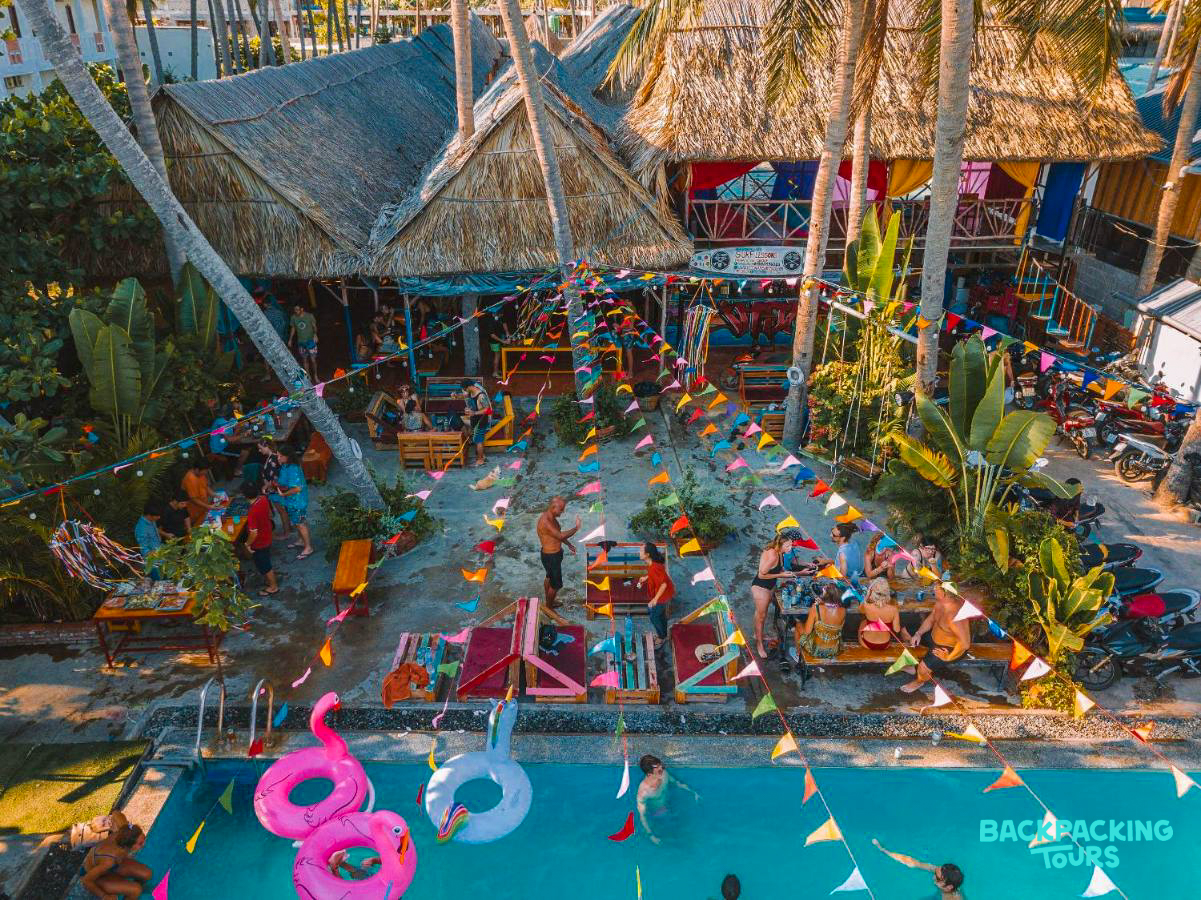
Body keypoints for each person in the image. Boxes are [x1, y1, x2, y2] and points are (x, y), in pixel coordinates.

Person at [902, 583, 971, 693]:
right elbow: (931, 619)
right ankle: (915, 666)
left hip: (948, 648)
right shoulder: (940, 602)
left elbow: (965, 644)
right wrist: (918, 634)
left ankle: (920, 681)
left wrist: (948, 657)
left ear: (945, 594)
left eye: (937, 589)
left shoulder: (954, 615)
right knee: (905, 632)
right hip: (933, 637)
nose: (934, 589)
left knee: (923, 670)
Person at [635, 754, 699, 845]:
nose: (663, 770)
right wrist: (651, 835)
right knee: (673, 835)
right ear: (649, 774)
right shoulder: (644, 792)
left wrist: (693, 793)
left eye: (662, 766)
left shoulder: (664, 774)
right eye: (659, 770)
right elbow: (642, 815)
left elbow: (676, 783)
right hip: (657, 814)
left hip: (669, 805)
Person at [750, 535, 796, 658]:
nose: (791, 547)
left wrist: (786, 573)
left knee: (760, 612)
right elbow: (761, 575)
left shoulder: (779, 552)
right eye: (788, 545)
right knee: (761, 616)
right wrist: (782, 576)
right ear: (780, 545)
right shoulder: (773, 556)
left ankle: (757, 634)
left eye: (791, 544)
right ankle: (759, 644)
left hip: (771, 586)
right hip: (761, 587)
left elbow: (777, 570)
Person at [873, 838, 965, 898]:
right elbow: (913, 862)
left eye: (937, 878)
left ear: (949, 887)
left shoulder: (952, 898)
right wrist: (885, 851)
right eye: (934, 873)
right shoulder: (941, 872)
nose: (933, 877)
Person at [80, 823, 152, 900]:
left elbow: (116, 814)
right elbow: (86, 880)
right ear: (127, 846)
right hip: (97, 876)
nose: (144, 844)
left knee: (147, 874)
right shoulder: (108, 861)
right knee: (136, 890)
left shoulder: (125, 833)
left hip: (113, 866)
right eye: (140, 844)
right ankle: (129, 890)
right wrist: (104, 896)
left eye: (144, 839)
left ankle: (127, 887)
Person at [536, 496, 580, 609]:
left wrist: (568, 544)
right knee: (556, 585)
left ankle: (549, 601)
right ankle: (549, 607)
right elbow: (560, 535)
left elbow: (557, 535)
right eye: (561, 509)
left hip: (553, 555)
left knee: (549, 578)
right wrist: (576, 528)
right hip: (551, 556)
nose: (563, 511)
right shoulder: (545, 521)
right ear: (553, 507)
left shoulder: (552, 518)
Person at [244, 480, 279, 596]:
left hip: (260, 542)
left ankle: (273, 587)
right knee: (265, 561)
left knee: (265, 565)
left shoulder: (252, 512)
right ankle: (270, 580)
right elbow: (269, 514)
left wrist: (247, 544)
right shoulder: (263, 499)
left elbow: (253, 533)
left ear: (245, 496)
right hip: (267, 535)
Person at [277, 447, 314, 560]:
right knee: (297, 522)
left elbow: (297, 488)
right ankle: (301, 540)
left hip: (297, 501)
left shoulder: (293, 469)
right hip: (291, 501)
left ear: (286, 457)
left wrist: (284, 494)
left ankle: (308, 547)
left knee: (300, 523)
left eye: (280, 456)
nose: (278, 458)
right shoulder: (285, 465)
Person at [637, 542, 674, 650]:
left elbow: (664, 584)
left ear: (647, 554)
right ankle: (664, 634)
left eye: (641, 551)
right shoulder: (652, 564)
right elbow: (656, 575)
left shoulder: (654, 567)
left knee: (654, 617)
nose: (638, 552)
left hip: (662, 596)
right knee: (659, 615)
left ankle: (662, 637)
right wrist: (646, 577)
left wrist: (654, 599)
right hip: (661, 595)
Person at [858, 577, 909, 651]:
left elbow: (860, 610)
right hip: (885, 644)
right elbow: (897, 630)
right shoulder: (894, 609)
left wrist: (867, 596)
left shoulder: (866, 606)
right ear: (887, 593)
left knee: (863, 622)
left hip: (867, 643)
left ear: (872, 592)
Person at [798, 583, 846, 660]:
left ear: (825, 595)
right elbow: (836, 629)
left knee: (798, 624)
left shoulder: (816, 608)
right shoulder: (843, 610)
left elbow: (807, 632)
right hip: (834, 650)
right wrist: (824, 603)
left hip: (816, 650)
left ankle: (799, 656)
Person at [458, 378, 492, 466]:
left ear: (469, 386)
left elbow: (488, 410)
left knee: (478, 441)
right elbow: (465, 396)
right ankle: (482, 456)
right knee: (477, 439)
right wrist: (456, 396)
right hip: (475, 420)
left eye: (464, 389)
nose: (464, 391)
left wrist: (474, 412)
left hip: (481, 421)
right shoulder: (471, 392)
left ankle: (480, 460)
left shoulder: (481, 395)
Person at [182, 460, 221, 526]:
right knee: (200, 525)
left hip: (204, 507)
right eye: (205, 470)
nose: (206, 472)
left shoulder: (201, 474)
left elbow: (205, 486)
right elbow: (194, 499)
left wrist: (215, 495)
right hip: (195, 510)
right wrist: (209, 506)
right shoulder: (190, 479)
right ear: (197, 469)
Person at [289, 302, 319, 380]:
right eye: (295, 310)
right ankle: (308, 375)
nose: (296, 311)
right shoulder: (293, 318)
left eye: (297, 309)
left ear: (302, 309)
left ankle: (315, 375)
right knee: (305, 360)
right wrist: (290, 339)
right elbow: (293, 328)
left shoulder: (309, 316)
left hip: (311, 341)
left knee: (313, 360)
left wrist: (315, 334)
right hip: (301, 342)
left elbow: (314, 326)